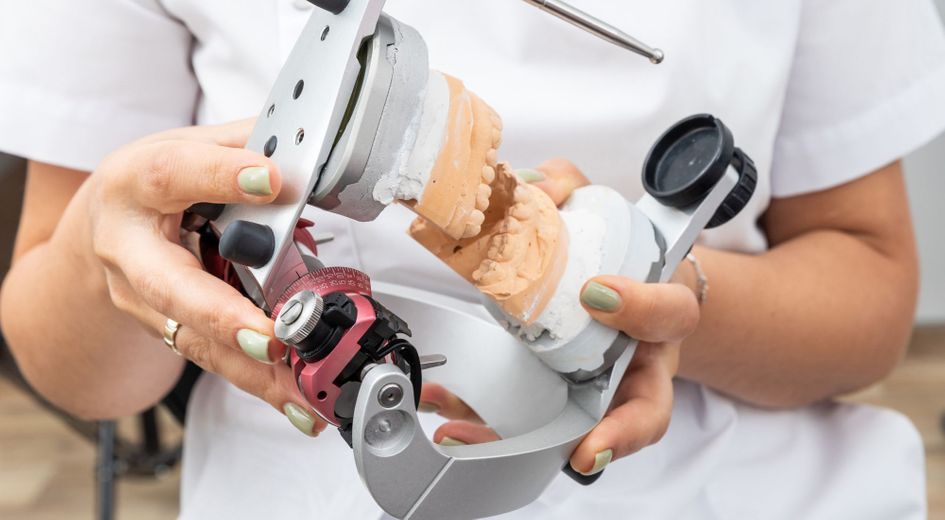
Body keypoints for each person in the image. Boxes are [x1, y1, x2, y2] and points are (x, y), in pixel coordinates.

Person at [2, 0, 944, 518]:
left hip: (735, 492)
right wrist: (105, 246)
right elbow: (63, 348)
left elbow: (865, 284)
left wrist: (656, 296)